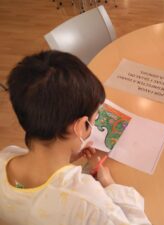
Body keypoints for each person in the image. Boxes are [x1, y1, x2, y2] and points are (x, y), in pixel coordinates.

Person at [0, 50, 151, 225]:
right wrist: (110, 185)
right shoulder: (89, 202)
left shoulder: (6, 157)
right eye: (95, 118)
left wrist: (69, 157)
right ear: (80, 126)